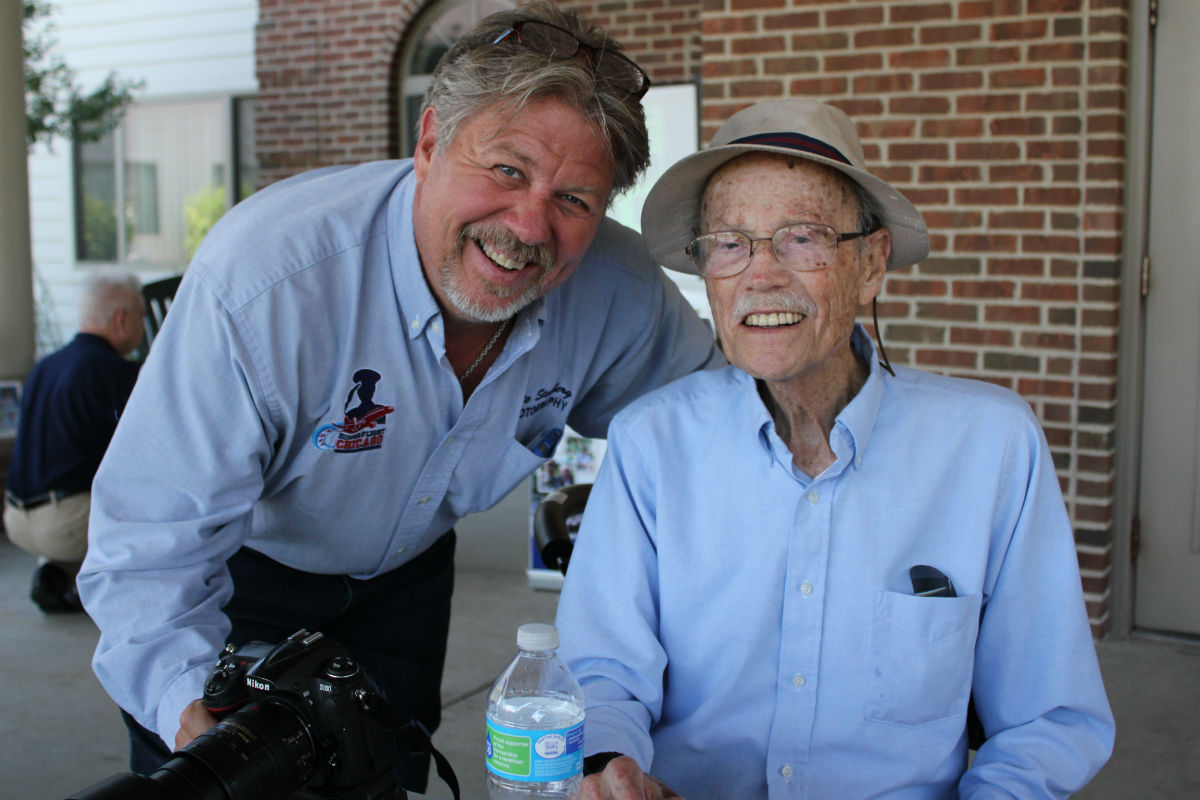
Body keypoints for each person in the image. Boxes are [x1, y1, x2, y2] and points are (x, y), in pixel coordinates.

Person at [76, 0, 721, 792]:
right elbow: (149, 541)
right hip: (244, 575)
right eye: (507, 169)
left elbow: (718, 432)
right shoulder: (269, 281)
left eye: (574, 199)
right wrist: (195, 713)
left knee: (386, 783)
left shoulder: (615, 290)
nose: (528, 223)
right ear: (427, 144)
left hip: (409, 579)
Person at [554, 98, 1115, 799]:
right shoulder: (652, 442)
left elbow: (1047, 720)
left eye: (802, 237)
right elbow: (604, 671)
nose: (760, 275)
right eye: (729, 243)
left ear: (871, 264)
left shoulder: (990, 446)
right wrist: (609, 771)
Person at [4, 271, 143, 613]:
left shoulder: (45, 366)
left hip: (17, 521)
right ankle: (100, 590)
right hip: (66, 525)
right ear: (122, 320)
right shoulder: (112, 371)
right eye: (141, 315)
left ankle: (54, 572)